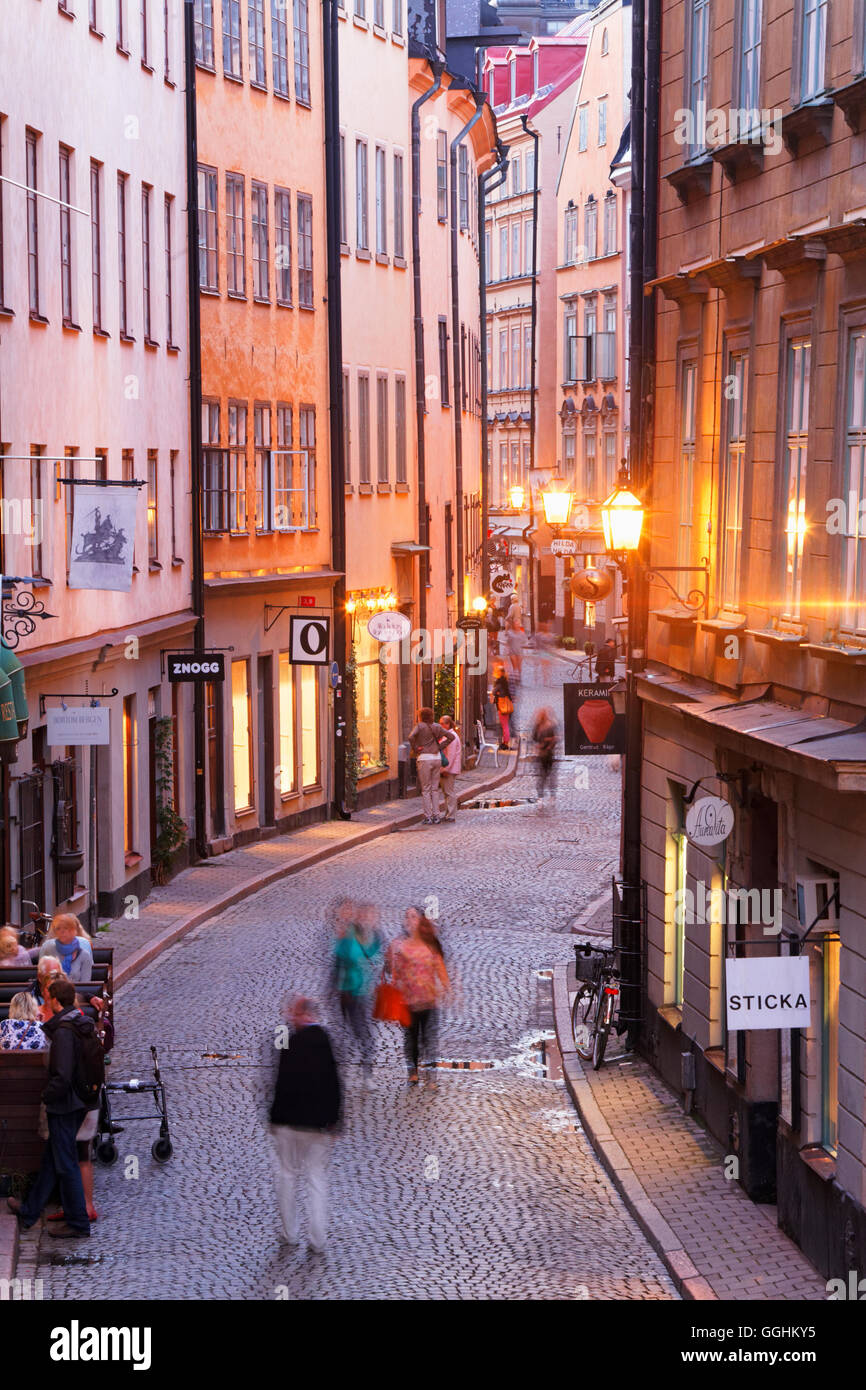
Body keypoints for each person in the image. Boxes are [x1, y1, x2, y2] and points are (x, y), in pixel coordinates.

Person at [6, 978, 97, 1239]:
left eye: (49, 1000)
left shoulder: (65, 1031)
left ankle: (78, 1223)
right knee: (52, 1159)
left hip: (64, 1103)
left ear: (56, 1001)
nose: (46, 1004)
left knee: (65, 1162)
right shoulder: (79, 1023)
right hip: (76, 1101)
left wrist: (48, 1095)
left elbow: (63, 1074)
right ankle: (30, 1211)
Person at [269, 996, 342, 1255]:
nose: (290, 1016)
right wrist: (335, 1121)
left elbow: (279, 1083)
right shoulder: (325, 1041)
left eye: (293, 1012)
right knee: (315, 1179)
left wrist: (274, 1119)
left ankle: (289, 1234)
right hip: (318, 1125)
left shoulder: (287, 1040)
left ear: (301, 1015)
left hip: (288, 1123)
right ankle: (318, 1239)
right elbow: (334, 1082)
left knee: (287, 1175)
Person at [388, 907, 450, 1087]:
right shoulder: (401, 946)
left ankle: (431, 1077)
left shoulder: (430, 945)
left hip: (429, 1000)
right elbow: (395, 974)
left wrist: (447, 987)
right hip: (408, 1001)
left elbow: (439, 966)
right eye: (407, 917)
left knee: (429, 1039)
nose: (410, 920)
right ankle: (413, 1072)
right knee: (412, 1038)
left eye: (413, 917)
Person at [331, 903, 381, 1080]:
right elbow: (337, 962)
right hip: (343, 991)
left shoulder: (355, 934)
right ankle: (341, 1068)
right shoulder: (343, 934)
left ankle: (367, 1069)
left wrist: (376, 933)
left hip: (359, 991)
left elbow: (369, 953)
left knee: (361, 1030)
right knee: (344, 1030)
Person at [409, 707, 455, 826]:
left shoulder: (420, 726)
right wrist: (439, 747)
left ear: (421, 716)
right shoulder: (437, 726)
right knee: (435, 789)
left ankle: (428, 817)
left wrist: (416, 748)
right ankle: (437, 816)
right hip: (437, 758)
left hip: (425, 758)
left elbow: (411, 737)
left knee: (426, 789)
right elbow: (451, 737)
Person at [38, 913, 93, 983]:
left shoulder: (84, 953)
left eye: (66, 928)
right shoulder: (47, 947)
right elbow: (42, 977)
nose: (63, 932)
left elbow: (85, 985)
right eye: (59, 928)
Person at [531, 706, 559, 806]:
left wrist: (545, 743)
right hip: (545, 754)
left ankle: (542, 796)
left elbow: (534, 738)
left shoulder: (544, 726)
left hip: (543, 753)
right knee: (547, 775)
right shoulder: (548, 725)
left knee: (543, 776)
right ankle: (548, 796)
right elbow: (555, 738)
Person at [437, 714, 461, 823]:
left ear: (448, 724)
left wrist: (446, 769)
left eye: (442, 723)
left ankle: (451, 814)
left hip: (449, 768)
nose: (440, 725)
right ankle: (448, 813)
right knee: (446, 791)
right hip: (448, 767)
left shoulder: (451, 737)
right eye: (440, 723)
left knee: (449, 791)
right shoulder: (448, 735)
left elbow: (450, 755)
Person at [32, 957, 67, 1023]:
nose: (52, 993)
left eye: (57, 988)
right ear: (42, 991)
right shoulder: (33, 1014)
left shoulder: (72, 1013)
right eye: (49, 988)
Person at [503, 594, 527, 681]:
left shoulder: (512, 606)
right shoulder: (519, 606)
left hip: (514, 623)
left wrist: (506, 618)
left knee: (512, 634)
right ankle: (518, 677)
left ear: (512, 599)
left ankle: (516, 676)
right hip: (519, 623)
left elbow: (510, 615)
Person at [492, 665, 514, 749]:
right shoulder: (505, 681)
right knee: (505, 725)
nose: (495, 673)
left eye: (497, 671)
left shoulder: (499, 682)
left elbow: (494, 692)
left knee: (504, 726)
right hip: (507, 705)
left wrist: (497, 693)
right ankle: (505, 742)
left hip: (502, 706)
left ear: (500, 673)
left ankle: (505, 743)